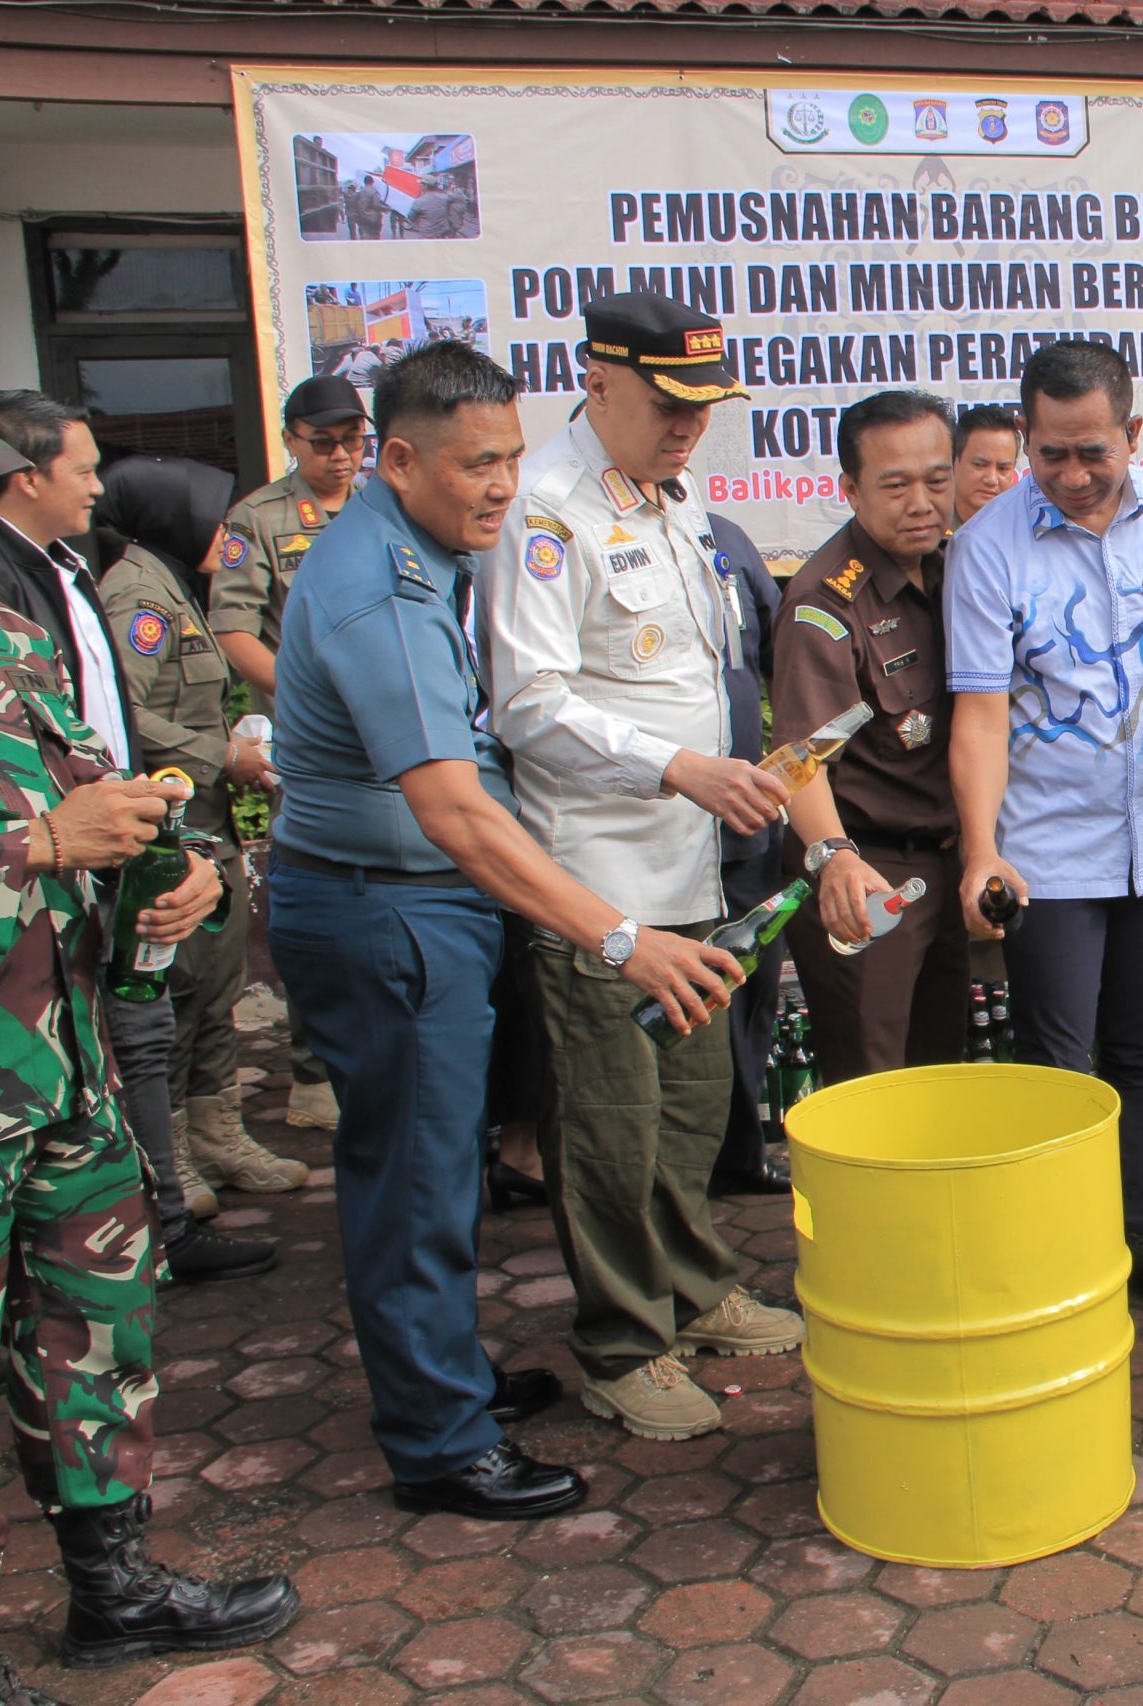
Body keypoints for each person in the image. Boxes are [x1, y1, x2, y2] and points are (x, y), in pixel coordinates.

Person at [269, 340, 731, 1517]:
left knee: (433, 1170)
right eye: (477, 463)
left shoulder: (421, 550)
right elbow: (457, 812)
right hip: (388, 907)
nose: (501, 485)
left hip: (421, 903)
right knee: (414, 1185)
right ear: (401, 457)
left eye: (515, 458)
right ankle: (439, 1443)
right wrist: (621, 938)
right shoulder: (381, 584)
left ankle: (446, 1378)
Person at [0, 423, 300, 1681]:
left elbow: (80, 784)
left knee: (91, 1317)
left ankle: (111, 1588)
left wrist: (150, 882)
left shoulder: (16, 623)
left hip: (54, 1048)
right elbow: (40, 828)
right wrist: (37, 847)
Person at [483, 293, 803, 1443]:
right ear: (599, 380)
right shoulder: (544, 510)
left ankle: (698, 1286)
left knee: (692, 1103)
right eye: (671, 407)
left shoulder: (669, 491)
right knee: (608, 1122)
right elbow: (526, 703)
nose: (689, 430)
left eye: (705, 410)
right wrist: (677, 765)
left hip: (695, 866)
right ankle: (625, 1342)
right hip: (599, 880)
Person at [945, 339, 1143, 1310]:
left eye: (1092, 452)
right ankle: (1063, 1253)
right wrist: (983, 848)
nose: (1069, 474)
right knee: (1060, 1066)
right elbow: (978, 711)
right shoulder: (987, 546)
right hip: (1048, 854)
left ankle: (1138, 1234)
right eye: (1049, 452)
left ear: (1132, 435)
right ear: (1025, 436)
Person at [94, 455, 283, 1282]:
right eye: (216, 517)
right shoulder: (137, 595)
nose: (228, 535)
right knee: (171, 997)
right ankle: (165, 1160)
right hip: (173, 822)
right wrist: (221, 755)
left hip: (206, 822)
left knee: (214, 986)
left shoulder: (175, 584)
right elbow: (122, 712)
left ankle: (217, 1132)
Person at [770, 390, 960, 1082]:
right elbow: (798, 761)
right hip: (869, 871)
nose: (922, 502)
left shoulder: (953, 568)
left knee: (941, 1078)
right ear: (849, 490)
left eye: (937, 479)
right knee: (873, 1083)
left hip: (948, 861)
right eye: (896, 485)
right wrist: (837, 861)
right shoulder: (825, 602)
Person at [212, 373, 369, 1137]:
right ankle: (312, 1071)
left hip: (391, 738)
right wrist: (305, 694)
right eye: (325, 443)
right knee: (318, 900)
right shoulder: (261, 517)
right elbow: (235, 628)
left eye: (353, 441)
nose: (342, 457)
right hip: (312, 745)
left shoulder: (384, 503)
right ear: (291, 440)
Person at [710, 509, 793, 1194]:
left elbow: (779, 659)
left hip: (744, 828)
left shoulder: (725, 539)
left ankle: (739, 1151)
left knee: (753, 991)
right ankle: (697, 1159)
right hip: (649, 834)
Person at [952, 402, 1022, 528]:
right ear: (954, 462)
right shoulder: (930, 525)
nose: (991, 479)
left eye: (1003, 468)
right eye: (980, 465)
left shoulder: (1025, 530)